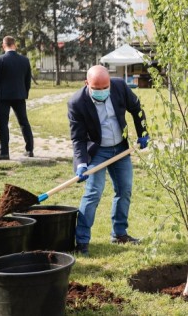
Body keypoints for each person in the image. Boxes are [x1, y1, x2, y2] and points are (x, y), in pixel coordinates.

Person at [68, 65, 149, 256]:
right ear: (87, 84)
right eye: (97, 89)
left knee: (124, 189)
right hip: (97, 152)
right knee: (93, 192)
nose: (103, 92)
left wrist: (143, 133)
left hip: (121, 147)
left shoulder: (119, 87)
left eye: (106, 87)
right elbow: (78, 138)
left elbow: (136, 109)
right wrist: (81, 163)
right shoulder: (77, 102)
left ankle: (119, 234)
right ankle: (81, 242)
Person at [0, 36, 34, 160]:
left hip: (3, 97)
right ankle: (29, 150)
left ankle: (4, 153)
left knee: (3, 124)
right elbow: (27, 80)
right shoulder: (24, 60)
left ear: (4, 46)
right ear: (15, 45)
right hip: (19, 96)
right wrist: (24, 93)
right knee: (24, 122)